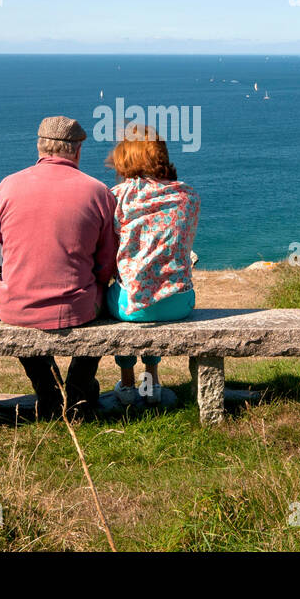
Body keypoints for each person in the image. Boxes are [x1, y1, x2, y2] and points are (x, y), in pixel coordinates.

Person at [0, 116, 118, 420]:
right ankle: (77, 389)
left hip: (16, 306)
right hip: (77, 307)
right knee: (103, 295)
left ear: (40, 147)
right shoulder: (98, 192)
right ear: (77, 151)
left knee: (19, 306)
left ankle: (47, 389)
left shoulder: (7, 186)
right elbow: (105, 266)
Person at [103, 124, 199, 405]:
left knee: (124, 293)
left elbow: (110, 254)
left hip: (130, 307)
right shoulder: (188, 197)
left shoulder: (116, 197)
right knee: (156, 289)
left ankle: (128, 384)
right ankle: (153, 383)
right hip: (179, 302)